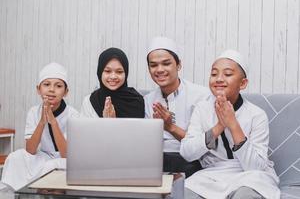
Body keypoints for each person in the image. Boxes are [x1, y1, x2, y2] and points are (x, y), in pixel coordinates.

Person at [180, 50, 280, 199]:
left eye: (227, 74)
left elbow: (255, 167)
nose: (219, 79)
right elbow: (187, 152)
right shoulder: (201, 109)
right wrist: (218, 127)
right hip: (212, 175)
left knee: (245, 194)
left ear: (243, 83)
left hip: (249, 176)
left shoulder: (257, 115)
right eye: (214, 74)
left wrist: (232, 124)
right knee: (184, 193)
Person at [1, 62, 79, 191]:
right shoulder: (33, 112)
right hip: (43, 156)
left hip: (64, 160)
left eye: (58, 86)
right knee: (15, 157)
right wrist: (42, 121)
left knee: (55, 165)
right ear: (38, 89)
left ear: (66, 92)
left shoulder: (73, 114)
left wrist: (53, 122)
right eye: (46, 84)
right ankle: (14, 193)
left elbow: (66, 154)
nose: (51, 89)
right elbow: (30, 150)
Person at [144, 37, 210, 178]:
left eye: (166, 63)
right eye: (153, 65)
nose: (160, 70)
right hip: (156, 162)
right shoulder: (147, 101)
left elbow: (205, 145)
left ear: (178, 65)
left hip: (192, 162)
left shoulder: (202, 96)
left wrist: (171, 127)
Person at [80, 47, 144, 118]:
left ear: (126, 73)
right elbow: (85, 129)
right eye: (107, 71)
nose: (113, 76)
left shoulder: (136, 101)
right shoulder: (89, 102)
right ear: (100, 72)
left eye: (119, 72)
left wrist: (113, 122)